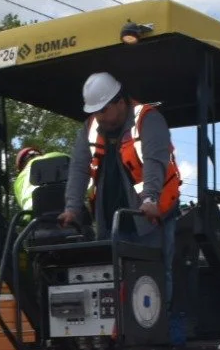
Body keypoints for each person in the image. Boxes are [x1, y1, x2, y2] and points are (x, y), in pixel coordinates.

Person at [59, 71, 181, 237]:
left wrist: (150, 199)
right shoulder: (90, 127)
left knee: (155, 262)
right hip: (111, 223)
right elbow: (79, 168)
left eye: (102, 110)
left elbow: (155, 160)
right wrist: (72, 209)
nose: (98, 116)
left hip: (151, 220)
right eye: (94, 111)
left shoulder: (148, 119)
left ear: (121, 102)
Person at [12, 145, 69, 216]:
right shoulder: (57, 156)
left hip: (36, 217)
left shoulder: (18, 182)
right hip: (71, 211)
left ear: (21, 167)